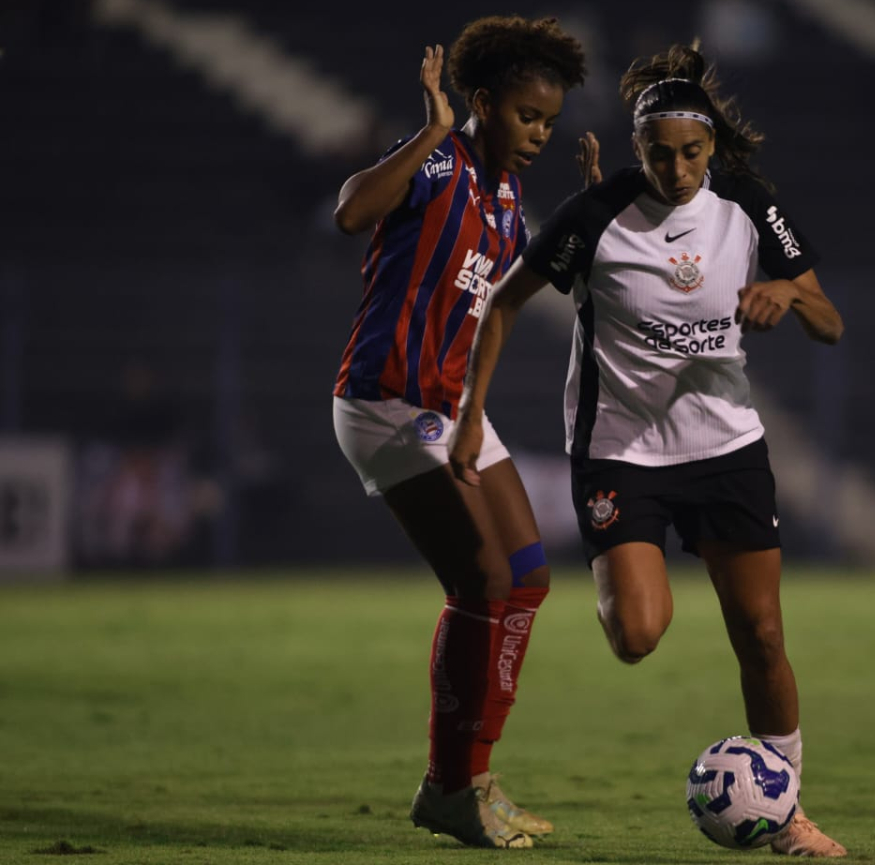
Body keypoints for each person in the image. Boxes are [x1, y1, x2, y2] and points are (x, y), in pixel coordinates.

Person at [450, 44, 848, 857]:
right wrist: (469, 410)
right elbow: (503, 301)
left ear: (712, 146)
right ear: (638, 148)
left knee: (764, 634)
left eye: (691, 152)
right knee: (636, 634)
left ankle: (786, 812)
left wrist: (790, 293)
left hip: (727, 446)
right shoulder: (596, 216)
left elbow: (830, 319)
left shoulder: (746, 205)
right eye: (659, 153)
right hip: (621, 451)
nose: (676, 168)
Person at [330, 16, 586, 850]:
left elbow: (496, 317)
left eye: (548, 120)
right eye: (526, 115)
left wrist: (475, 413)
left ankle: (473, 775)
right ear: (481, 103)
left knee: (528, 574)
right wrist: (432, 130)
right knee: (479, 583)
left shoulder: (510, 200)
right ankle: (446, 787)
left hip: (449, 407)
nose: (540, 133)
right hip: (385, 405)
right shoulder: (440, 161)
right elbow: (351, 210)